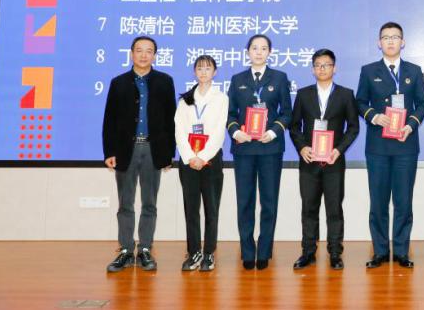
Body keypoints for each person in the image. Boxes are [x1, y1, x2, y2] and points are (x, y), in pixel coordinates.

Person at [356, 21, 424, 269]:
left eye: (395, 37)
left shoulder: (414, 71)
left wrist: (411, 125)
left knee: (403, 202)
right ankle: (379, 251)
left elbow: (422, 104)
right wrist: (374, 116)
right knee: (378, 202)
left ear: (403, 42)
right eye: (385, 37)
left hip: (405, 145)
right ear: (379, 43)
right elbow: (360, 101)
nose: (390, 41)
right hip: (377, 146)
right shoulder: (369, 71)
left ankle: (401, 251)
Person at [102, 36, 177, 272]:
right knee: (125, 202)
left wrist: (169, 153)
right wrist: (109, 151)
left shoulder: (165, 81)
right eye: (139, 50)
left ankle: (145, 248)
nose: (144, 55)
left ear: (155, 55)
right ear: (131, 53)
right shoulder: (118, 83)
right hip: (126, 150)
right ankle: (125, 250)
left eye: (149, 51)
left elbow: (171, 120)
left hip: (153, 150)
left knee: (149, 203)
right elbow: (109, 120)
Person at [289, 49, 361, 271]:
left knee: (334, 209)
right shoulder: (303, 94)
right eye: (318, 65)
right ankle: (308, 252)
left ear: (334, 68)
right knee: (308, 208)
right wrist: (302, 147)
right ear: (312, 69)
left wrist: (339, 150)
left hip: (333, 162)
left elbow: (353, 127)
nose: (322, 68)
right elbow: (294, 126)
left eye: (326, 64)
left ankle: (335, 253)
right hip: (309, 162)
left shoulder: (346, 94)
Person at [226, 34, 293, 270]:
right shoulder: (237, 79)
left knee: (269, 201)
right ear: (248, 52)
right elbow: (230, 113)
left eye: (264, 48)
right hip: (244, 148)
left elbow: (287, 112)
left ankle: (264, 251)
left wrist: (274, 132)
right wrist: (236, 132)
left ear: (269, 53)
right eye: (254, 48)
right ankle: (247, 251)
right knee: (245, 201)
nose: (259, 52)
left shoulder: (279, 78)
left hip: (270, 148)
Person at [174, 54, 228, 272]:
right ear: (194, 72)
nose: (203, 72)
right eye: (199, 68)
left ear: (215, 72)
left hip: (211, 161)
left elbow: (219, 131)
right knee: (191, 209)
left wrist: (203, 157)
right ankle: (194, 251)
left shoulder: (221, 98)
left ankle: (209, 253)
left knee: (211, 209)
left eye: (208, 68)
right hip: (188, 161)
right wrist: (190, 157)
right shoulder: (185, 99)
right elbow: (179, 130)